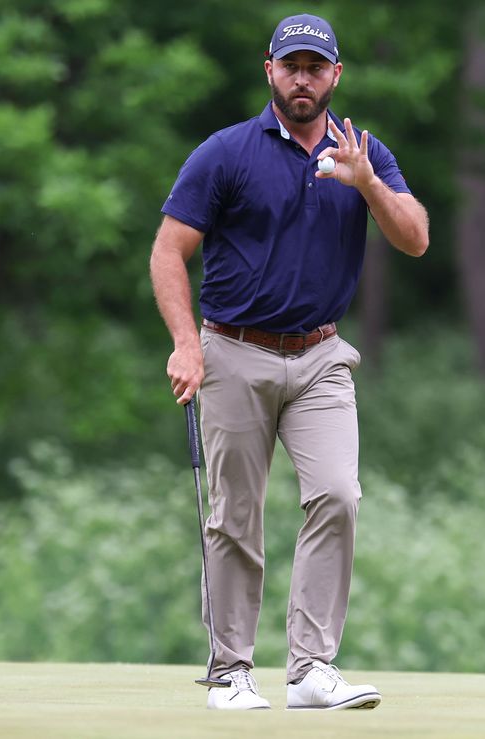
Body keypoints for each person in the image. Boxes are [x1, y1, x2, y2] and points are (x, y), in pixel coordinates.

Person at [149, 12, 429, 711]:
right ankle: (230, 671)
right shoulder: (226, 153)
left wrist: (367, 183)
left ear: (336, 75)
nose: (302, 78)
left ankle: (310, 668)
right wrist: (186, 342)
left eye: (316, 67)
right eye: (290, 65)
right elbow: (167, 251)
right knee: (234, 515)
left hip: (321, 356)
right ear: (269, 70)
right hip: (233, 352)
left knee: (337, 493)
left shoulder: (362, 153)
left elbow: (417, 237)